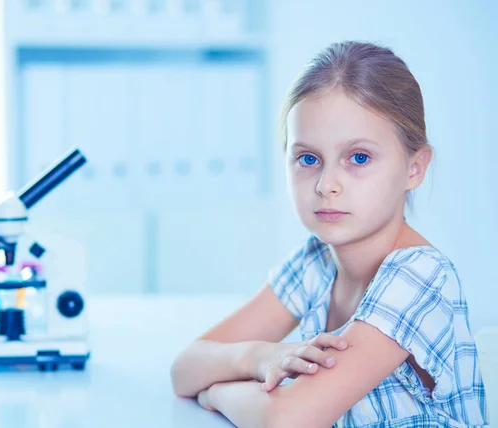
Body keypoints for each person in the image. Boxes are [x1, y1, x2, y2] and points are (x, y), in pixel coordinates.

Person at [169, 40, 489, 428]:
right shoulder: (314, 261)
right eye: (308, 158)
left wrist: (217, 391)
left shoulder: (420, 275)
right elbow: (184, 369)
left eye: (358, 158)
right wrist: (257, 357)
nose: (326, 184)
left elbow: (284, 420)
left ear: (414, 168)